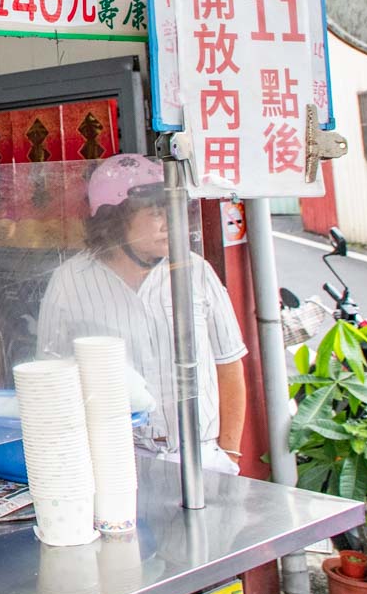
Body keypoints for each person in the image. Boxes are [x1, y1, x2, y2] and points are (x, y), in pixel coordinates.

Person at [35, 155, 248, 473]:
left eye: (170, 211)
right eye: (155, 213)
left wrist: (229, 454)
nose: (169, 223)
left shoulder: (195, 271)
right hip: (115, 461)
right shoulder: (70, 281)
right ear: (115, 220)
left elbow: (229, 363)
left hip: (202, 458)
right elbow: (50, 380)